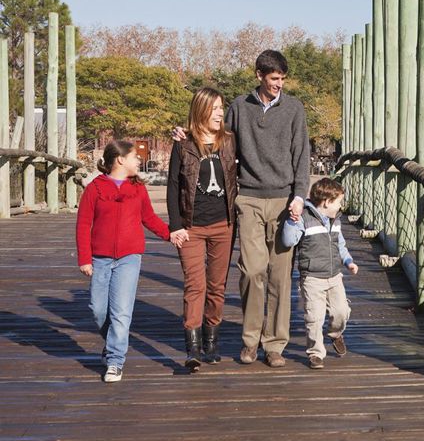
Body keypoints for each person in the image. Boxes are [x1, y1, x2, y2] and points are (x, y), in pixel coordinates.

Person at [176, 50, 310, 367]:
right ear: (260, 76)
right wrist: (185, 136)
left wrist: (300, 196)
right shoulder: (239, 107)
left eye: (282, 79)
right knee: (251, 272)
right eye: (274, 78)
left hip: (284, 201)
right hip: (248, 198)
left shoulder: (294, 109)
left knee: (280, 276)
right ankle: (250, 341)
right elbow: (215, 136)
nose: (279, 84)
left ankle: (274, 345)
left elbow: (302, 155)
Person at [76, 140, 175, 382]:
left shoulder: (138, 188)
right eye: (134, 157)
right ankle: (112, 343)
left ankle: (115, 361)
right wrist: (84, 258)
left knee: (121, 312)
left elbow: (149, 217)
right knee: (98, 310)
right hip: (99, 258)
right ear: (120, 160)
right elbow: (83, 225)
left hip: (129, 258)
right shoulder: (94, 189)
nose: (138, 160)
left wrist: (169, 234)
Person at [167, 87, 237, 371]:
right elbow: (173, 185)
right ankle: (193, 348)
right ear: (202, 110)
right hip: (191, 226)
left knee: (217, 287)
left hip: (224, 225)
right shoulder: (183, 144)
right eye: (216, 108)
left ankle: (211, 342)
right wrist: (174, 226)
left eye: (222, 107)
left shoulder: (230, 141)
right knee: (195, 286)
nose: (221, 113)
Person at [282, 178, 358, 369]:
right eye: (339, 201)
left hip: (334, 276)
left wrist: (348, 261)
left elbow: (340, 244)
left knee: (341, 311)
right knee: (314, 317)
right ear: (326, 202)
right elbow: (289, 241)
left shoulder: (336, 220)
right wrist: (291, 222)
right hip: (312, 278)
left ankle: (335, 333)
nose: (341, 205)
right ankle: (316, 353)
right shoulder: (304, 219)